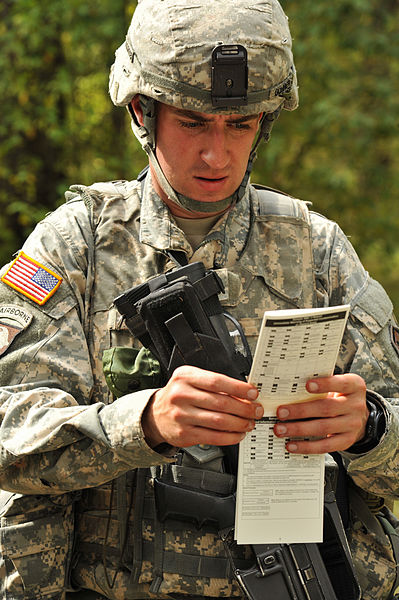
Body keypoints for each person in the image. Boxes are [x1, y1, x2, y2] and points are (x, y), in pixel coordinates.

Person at [0, 0, 399, 599]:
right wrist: (144, 423)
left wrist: (369, 427)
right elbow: (10, 433)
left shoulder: (317, 251)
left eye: (239, 125)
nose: (218, 154)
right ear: (143, 111)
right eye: (192, 122)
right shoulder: (76, 245)